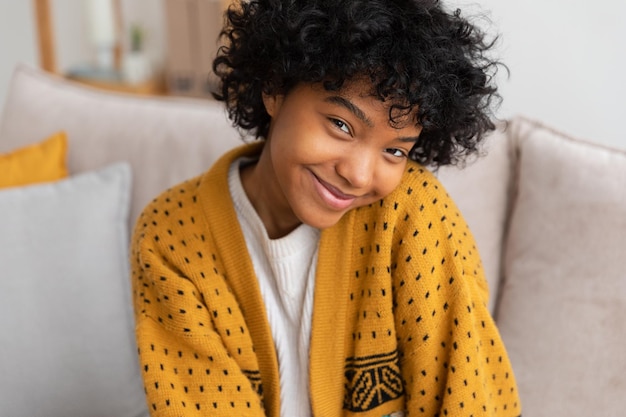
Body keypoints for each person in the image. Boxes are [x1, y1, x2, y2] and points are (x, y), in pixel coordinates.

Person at [130, 0, 521, 416]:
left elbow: (473, 398)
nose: (359, 174)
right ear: (275, 89)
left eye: (393, 150)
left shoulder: (412, 215)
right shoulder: (171, 234)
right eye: (341, 125)